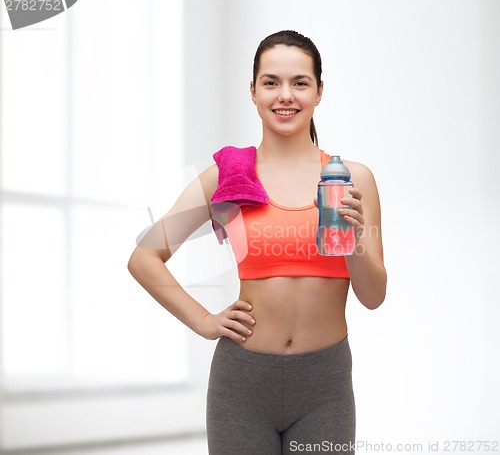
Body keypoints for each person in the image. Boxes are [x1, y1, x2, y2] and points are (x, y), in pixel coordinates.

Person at [128, 30, 386, 455]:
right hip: (242, 384)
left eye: (300, 82)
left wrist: (357, 240)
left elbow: (373, 297)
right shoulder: (229, 175)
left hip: (325, 385)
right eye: (271, 82)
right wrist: (203, 321)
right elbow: (145, 257)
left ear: (320, 91)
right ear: (253, 91)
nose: (285, 95)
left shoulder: (352, 180)